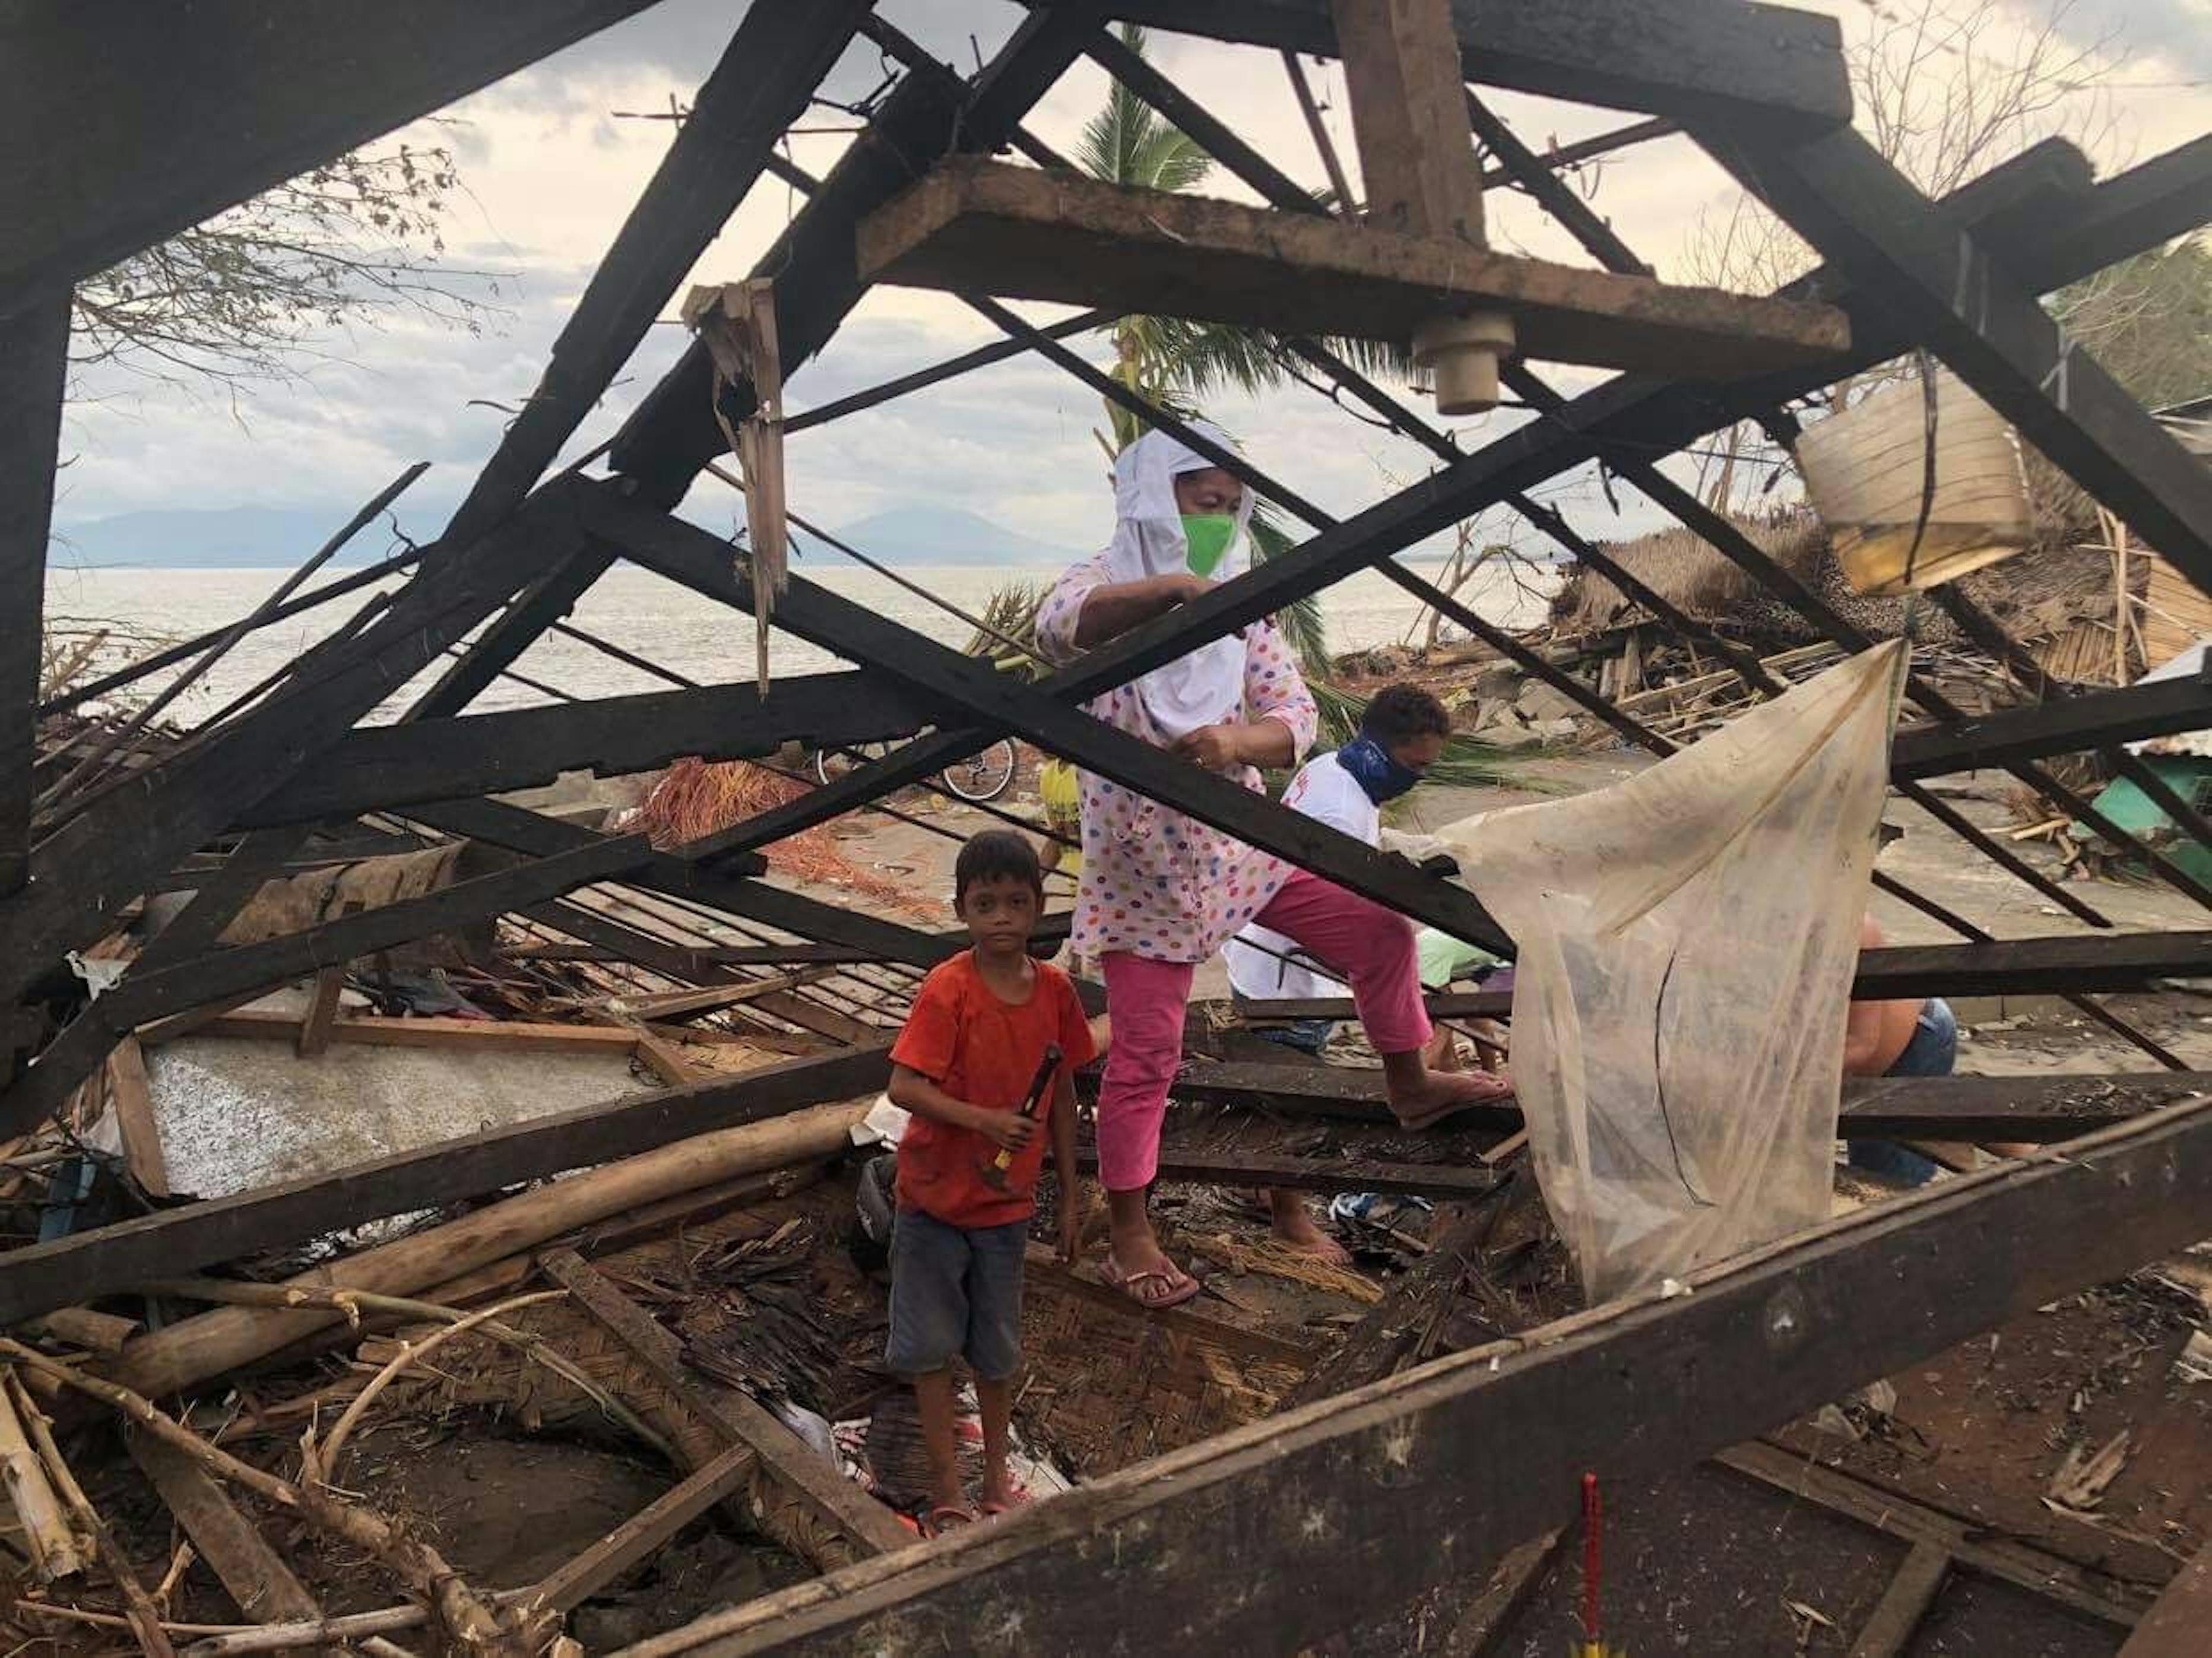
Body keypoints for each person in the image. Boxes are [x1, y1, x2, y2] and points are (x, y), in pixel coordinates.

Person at [1034, 424, 1510, 1310]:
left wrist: (1229, 741)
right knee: (1147, 1053)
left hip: (1241, 845)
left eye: (1227, 507)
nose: (1213, 522)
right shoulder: (1095, 582)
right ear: (1151, 497)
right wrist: (1170, 594)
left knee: (1379, 929)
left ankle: (1408, 1084)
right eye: (1197, 502)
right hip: (1144, 874)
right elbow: (1059, 629)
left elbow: (1294, 719)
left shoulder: (1243, 608)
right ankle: (1131, 1226)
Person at [885, 830, 1098, 1532]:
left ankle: (998, 1483)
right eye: (985, 905)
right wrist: (982, 1121)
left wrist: (1068, 1197)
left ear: (1038, 908)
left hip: (1006, 1209)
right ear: (962, 911)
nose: (1001, 917)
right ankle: (950, 1488)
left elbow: (1065, 1099)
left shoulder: (1057, 993)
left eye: (1015, 902)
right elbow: (905, 1087)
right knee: (929, 1351)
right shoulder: (949, 989)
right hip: (933, 1202)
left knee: (997, 1354)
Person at [1842, 914, 1958, 1185]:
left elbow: (1860, 1044)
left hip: (1915, 1042)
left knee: (1883, 1180)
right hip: (1858, 1059)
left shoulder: (1853, 924)